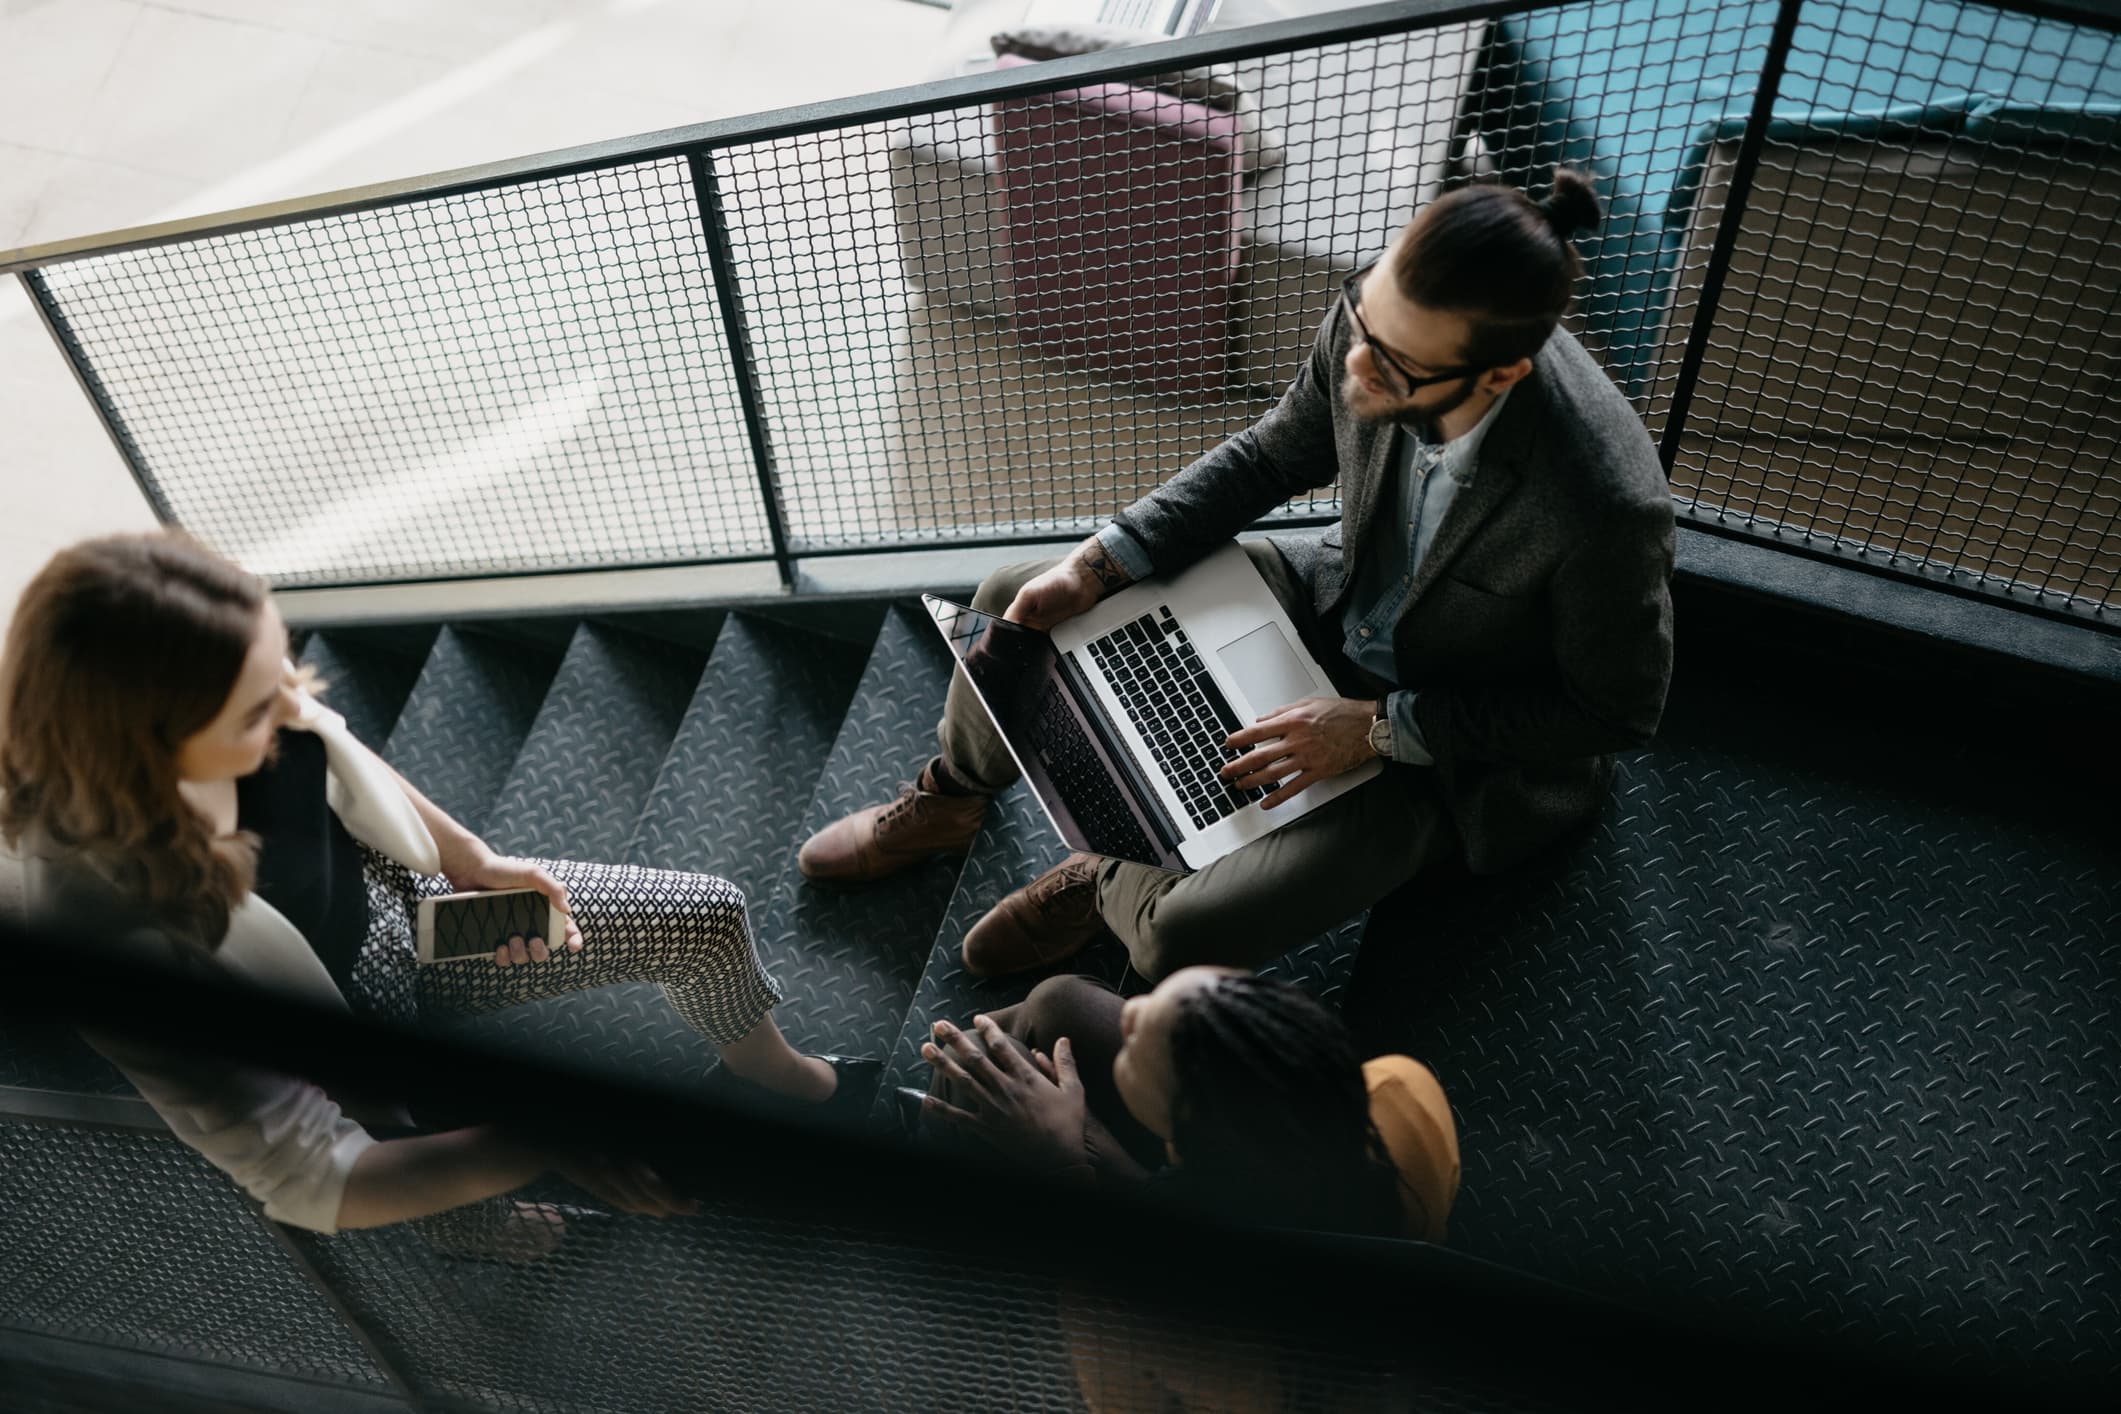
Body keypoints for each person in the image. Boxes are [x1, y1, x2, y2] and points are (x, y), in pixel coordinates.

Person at [798, 168, 1674, 981]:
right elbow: (1270, 455)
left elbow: (1612, 713)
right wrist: (1100, 566)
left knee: (1180, 939)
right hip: (1329, 597)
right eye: (1362, 327)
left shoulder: (1601, 502)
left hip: (1438, 743)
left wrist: (1371, 729)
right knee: (1010, 602)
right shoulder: (1386, 314)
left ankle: (1105, 876)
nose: (1356, 367)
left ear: (1501, 373)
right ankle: (953, 797)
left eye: (1393, 366)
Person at [1, 530, 870, 1242]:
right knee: (421, 1151)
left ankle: (771, 1077)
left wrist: (472, 859)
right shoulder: (113, 941)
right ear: (146, 746)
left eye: (282, 664)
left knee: (701, 919)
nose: (294, 701)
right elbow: (313, 1178)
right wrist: (548, 1134)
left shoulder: (243, 696)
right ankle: (469, 1232)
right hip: (345, 1054)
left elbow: (327, 738)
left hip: (415, 925)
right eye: (257, 708)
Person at [915, 969, 1422, 1237]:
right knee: (1060, 1002)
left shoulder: (1207, 1297)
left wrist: (1063, 1160)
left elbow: (1100, 1307)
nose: (1132, 1007)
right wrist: (1087, 1129)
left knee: (974, 1069)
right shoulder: (1400, 1089)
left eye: (1141, 1056)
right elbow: (1159, 1191)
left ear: (1190, 1138)